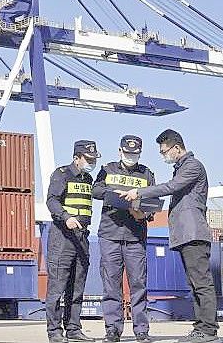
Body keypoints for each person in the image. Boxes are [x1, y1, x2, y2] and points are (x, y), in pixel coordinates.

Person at [118, 129, 219, 343]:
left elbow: (171, 187)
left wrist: (140, 192)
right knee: (194, 284)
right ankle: (201, 328)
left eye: (164, 152)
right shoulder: (181, 168)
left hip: (193, 234)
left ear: (176, 147)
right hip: (185, 234)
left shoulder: (192, 166)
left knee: (201, 283)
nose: (163, 155)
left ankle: (209, 330)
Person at [92, 136, 155, 343]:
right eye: (127, 154)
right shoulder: (107, 169)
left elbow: (152, 205)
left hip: (135, 237)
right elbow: (96, 190)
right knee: (111, 285)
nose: (131, 157)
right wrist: (115, 193)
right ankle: (113, 330)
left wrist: (141, 211)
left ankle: (141, 331)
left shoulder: (147, 173)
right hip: (110, 235)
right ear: (120, 151)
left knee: (138, 284)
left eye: (134, 154)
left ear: (140, 153)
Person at [45, 140, 101, 343]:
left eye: (94, 159)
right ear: (76, 157)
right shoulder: (62, 174)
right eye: (88, 159)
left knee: (77, 288)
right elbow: (51, 200)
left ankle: (74, 329)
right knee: (57, 287)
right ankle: (54, 332)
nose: (91, 162)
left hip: (82, 238)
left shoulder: (88, 178)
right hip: (62, 238)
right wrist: (66, 216)